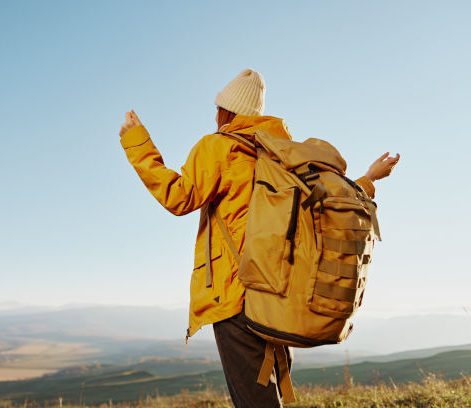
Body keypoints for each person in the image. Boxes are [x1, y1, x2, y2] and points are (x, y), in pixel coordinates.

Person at [119, 69, 399, 407]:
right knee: (268, 395)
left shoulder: (219, 148)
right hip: (277, 293)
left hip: (235, 295)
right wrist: (369, 179)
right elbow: (322, 206)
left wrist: (137, 142)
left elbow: (179, 197)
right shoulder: (281, 155)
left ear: (226, 111)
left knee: (255, 401)